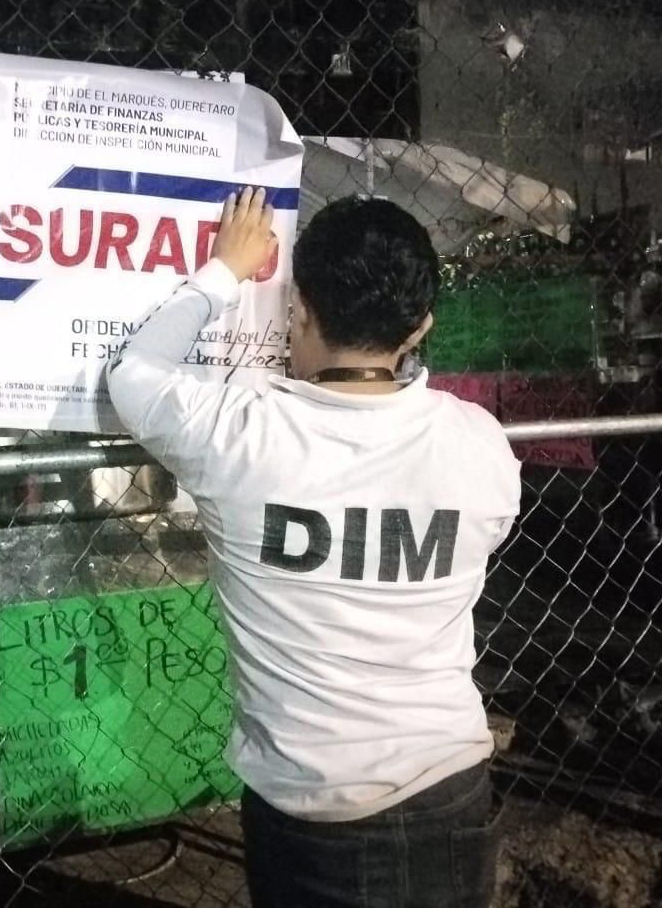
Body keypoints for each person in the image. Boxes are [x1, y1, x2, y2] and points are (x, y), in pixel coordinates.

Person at [105, 188, 521, 908]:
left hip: (313, 812)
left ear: (297, 309)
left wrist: (224, 271)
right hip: (451, 791)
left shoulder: (236, 431)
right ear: (420, 326)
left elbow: (134, 370)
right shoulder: (480, 443)